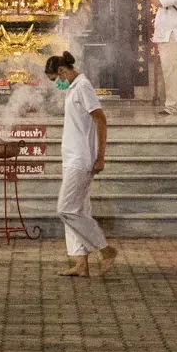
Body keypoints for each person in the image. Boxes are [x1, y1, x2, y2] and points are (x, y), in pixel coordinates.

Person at [45, 52, 116, 278]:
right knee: (78, 210)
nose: (56, 83)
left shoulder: (83, 86)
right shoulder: (72, 89)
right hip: (71, 157)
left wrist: (101, 156)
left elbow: (100, 119)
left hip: (82, 159)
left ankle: (105, 249)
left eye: (55, 79)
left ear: (63, 72)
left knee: (65, 209)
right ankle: (81, 263)